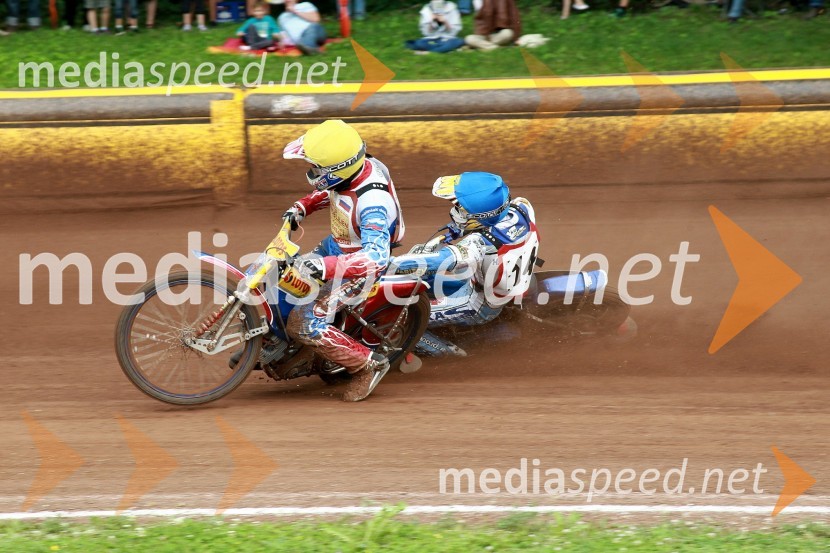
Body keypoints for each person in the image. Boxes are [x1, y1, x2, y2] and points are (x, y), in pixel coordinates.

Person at [282, 120, 406, 402]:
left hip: (359, 267)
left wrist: (325, 267)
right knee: (286, 277)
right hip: (338, 245)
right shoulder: (355, 169)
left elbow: (376, 258)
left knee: (303, 323)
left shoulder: (374, 203)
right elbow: (336, 189)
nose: (312, 172)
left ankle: (368, 365)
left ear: (337, 169)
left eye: (317, 168)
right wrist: (304, 205)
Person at [389, 172, 539, 353]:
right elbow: (483, 227)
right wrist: (447, 236)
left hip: (478, 303)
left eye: (460, 208)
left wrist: (390, 264)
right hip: (497, 282)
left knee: (398, 317)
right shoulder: (521, 207)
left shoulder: (479, 245)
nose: (455, 211)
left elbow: (446, 259)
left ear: (481, 216)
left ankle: (449, 353)